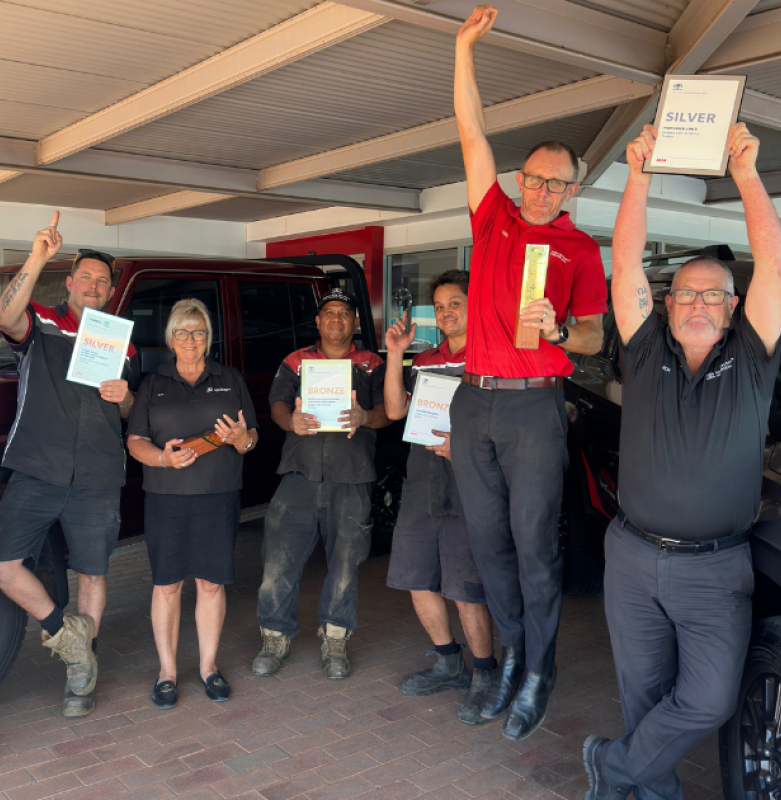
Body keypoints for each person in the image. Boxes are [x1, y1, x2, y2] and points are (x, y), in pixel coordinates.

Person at [582, 123, 781, 800]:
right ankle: (649, 790)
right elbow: (626, 263)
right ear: (667, 306)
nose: (698, 303)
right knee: (643, 694)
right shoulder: (644, 354)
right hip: (635, 557)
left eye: (713, 295)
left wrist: (748, 175)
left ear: (733, 309)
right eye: (686, 294)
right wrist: (637, 174)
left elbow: (774, 266)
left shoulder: (753, 361)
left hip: (714, 570)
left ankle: (610, 768)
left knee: (707, 700)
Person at [450, 4, 609, 741]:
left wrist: (560, 329)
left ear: (573, 191)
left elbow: (593, 334)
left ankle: (540, 668)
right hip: (474, 402)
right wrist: (464, 52)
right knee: (488, 545)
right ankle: (512, 654)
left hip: (534, 409)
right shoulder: (494, 219)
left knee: (535, 545)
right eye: (535, 181)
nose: (543, 192)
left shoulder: (579, 252)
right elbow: (470, 130)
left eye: (557, 185)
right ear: (522, 179)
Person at [0, 212, 138, 718]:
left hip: (98, 475)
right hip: (37, 470)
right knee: (0, 565)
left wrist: (125, 399)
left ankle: (82, 673)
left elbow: (127, 409)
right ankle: (68, 639)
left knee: (92, 574)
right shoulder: (43, 323)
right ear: (69, 283)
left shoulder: (121, 342)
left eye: (103, 281)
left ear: (111, 292)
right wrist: (37, 256)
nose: (94, 286)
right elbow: (4, 319)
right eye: (86, 278)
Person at [125, 298, 259, 708]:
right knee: (167, 586)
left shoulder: (230, 378)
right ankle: (167, 672)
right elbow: (135, 441)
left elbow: (251, 437)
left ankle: (208, 667)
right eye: (182, 332)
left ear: (208, 339)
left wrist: (241, 440)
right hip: (166, 498)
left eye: (198, 333)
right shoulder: (154, 382)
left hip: (218, 496)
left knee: (210, 583)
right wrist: (163, 457)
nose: (190, 340)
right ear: (170, 338)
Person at [252, 288, 390, 679]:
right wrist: (288, 421)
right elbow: (277, 403)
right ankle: (275, 637)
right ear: (318, 321)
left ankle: (335, 641)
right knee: (277, 564)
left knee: (345, 567)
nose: (336, 319)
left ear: (355, 322)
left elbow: (389, 412)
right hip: (299, 476)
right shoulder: (296, 362)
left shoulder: (370, 364)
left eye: (344, 312)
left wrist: (365, 417)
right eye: (328, 312)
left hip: (352, 479)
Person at [383, 270, 496, 725]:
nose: (448, 313)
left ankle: (485, 675)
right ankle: (449, 663)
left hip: (468, 488)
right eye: (442, 306)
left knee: (466, 588)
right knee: (417, 579)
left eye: (457, 303)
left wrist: (464, 447)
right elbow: (394, 411)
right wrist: (395, 355)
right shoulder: (425, 359)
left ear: (476, 304)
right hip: (421, 485)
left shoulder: (491, 357)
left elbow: (501, 428)